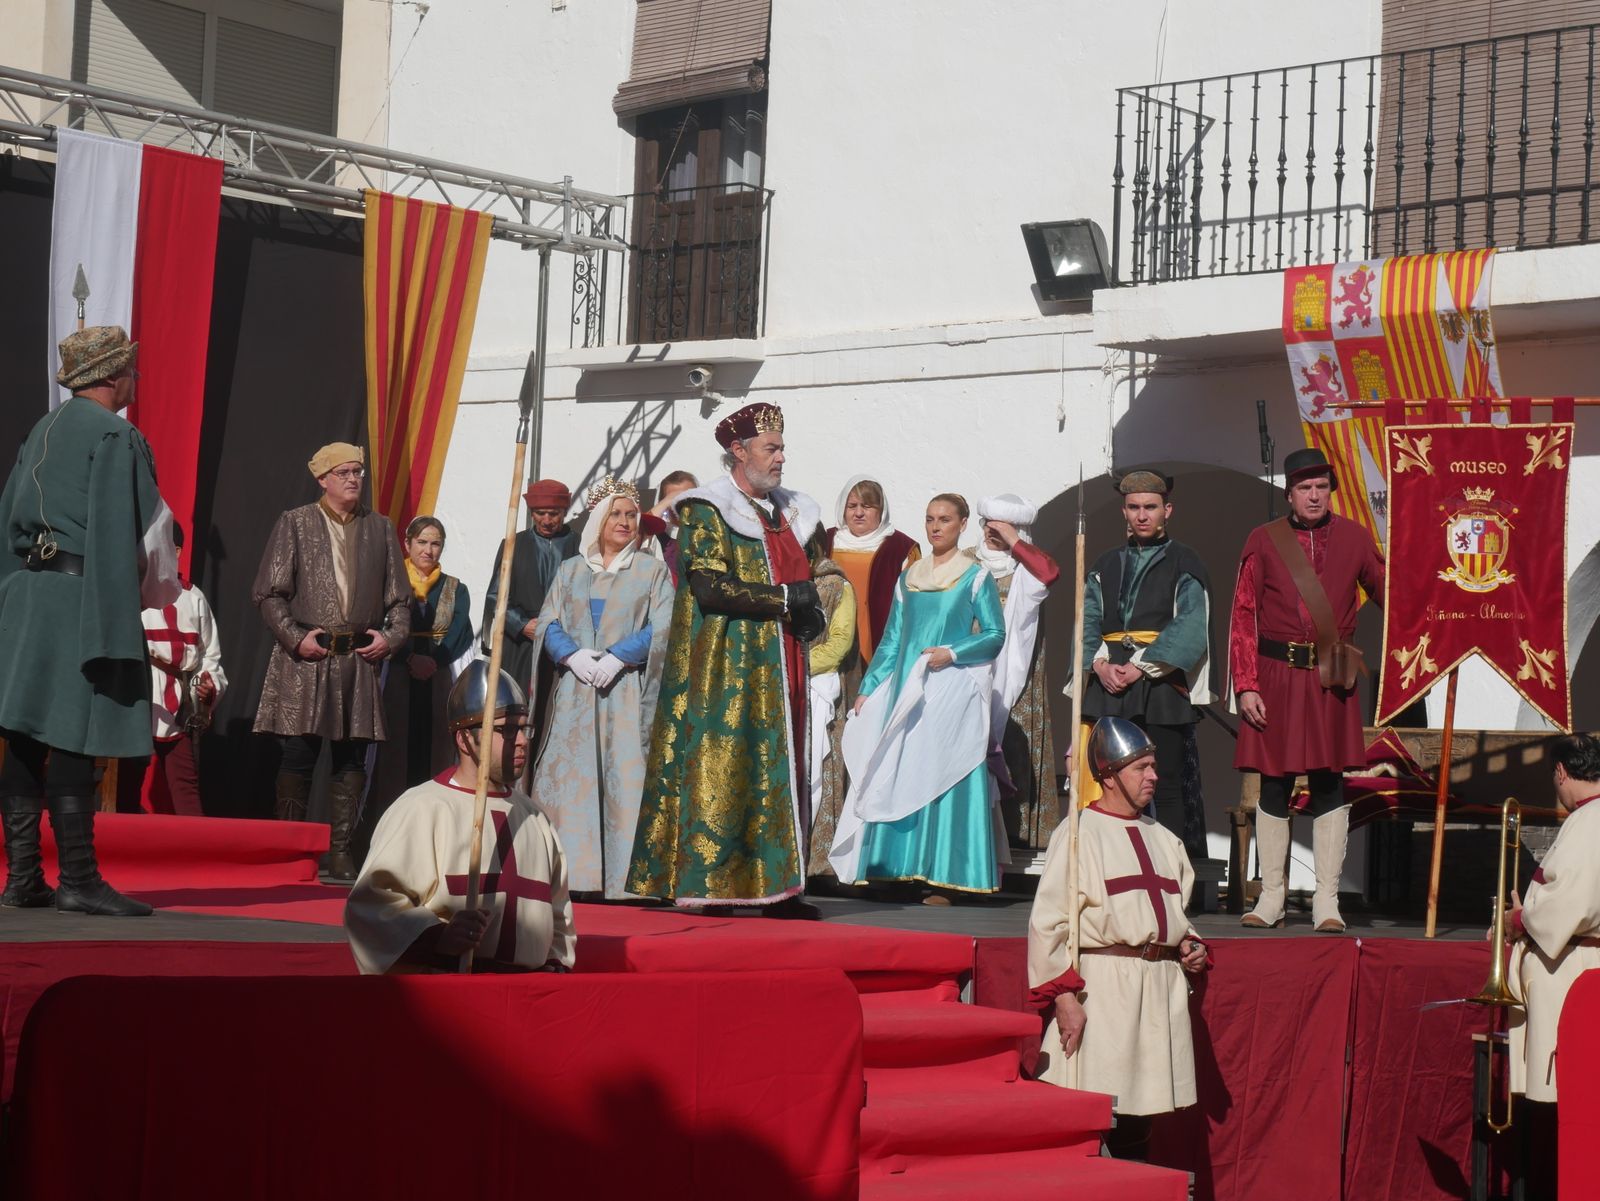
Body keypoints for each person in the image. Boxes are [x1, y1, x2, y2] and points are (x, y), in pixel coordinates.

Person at [0, 325, 180, 916]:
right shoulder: (116, 435)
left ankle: (23, 877)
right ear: (111, 375)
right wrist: (153, 594)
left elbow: (9, 522)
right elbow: (147, 533)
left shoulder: (41, 429)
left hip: (25, 598)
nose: (137, 377)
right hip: (81, 599)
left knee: (25, 735)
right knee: (76, 735)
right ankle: (76, 878)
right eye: (131, 367)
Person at [627, 402, 827, 913]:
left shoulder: (788, 510)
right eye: (771, 448)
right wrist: (786, 600)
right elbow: (710, 586)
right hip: (729, 660)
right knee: (726, 761)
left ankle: (779, 884)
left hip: (781, 660)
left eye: (781, 446)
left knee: (781, 768)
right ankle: (712, 883)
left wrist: (814, 607)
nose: (781, 457)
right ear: (738, 452)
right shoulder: (706, 509)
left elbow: (817, 573)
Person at [1028, 717, 1208, 1158]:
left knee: (1139, 1119)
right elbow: (1048, 922)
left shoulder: (1166, 840)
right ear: (1108, 776)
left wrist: (1189, 944)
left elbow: (1174, 914)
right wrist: (1064, 999)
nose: (1153, 776)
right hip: (1103, 990)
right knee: (1093, 1112)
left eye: (1153, 766)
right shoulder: (1076, 835)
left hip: (1158, 988)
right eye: (1140, 768)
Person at [1232, 448, 1384, 932]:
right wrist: (1245, 684)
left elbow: (1394, 600)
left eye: (1321, 486)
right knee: (1274, 782)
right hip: (1274, 677)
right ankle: (1272, 898)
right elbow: (1242, 615)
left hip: (1331, 679)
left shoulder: (1358, 539)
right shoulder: (1262, 539)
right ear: (1289, 494)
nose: (1314, 495)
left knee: (1328, 781)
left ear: (1330, 490)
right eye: (1304, 487)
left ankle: (1327, 901)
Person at [829, 494, 1007, 903]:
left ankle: (944, 874)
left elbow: (994, 635)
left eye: (944, 519)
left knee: (941, 771)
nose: (935, 527)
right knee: (898, 769)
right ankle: (894, 867)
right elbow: (892, 640)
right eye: (929, 519)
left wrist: (954, 652)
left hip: (946, 691)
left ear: (963, 524)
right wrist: (870, 687)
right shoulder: (909, 577)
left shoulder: (974, 576)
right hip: (905, 692)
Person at [344, 662, 576, 974]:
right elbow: (373, 905)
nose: (521, 740)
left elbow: (558, 912)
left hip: (527, 997)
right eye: (506, 729)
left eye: (523, 728)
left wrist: (554, 962)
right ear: (464, 739)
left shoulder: (535, 818)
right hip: (452, 993)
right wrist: (438, 937)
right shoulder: (422, 808)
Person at [253, 443, 410, 882]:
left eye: (358, 471)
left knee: (351, 759)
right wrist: (295, 637)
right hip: (307, 659)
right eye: (343, 472)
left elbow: (400, 600)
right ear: (322, 479)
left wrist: (392, 637)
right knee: (299, 754)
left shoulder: (380, 528)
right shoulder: (296, 522)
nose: (353, 479)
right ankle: (289, 851)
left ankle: (341, 851)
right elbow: (269, 593)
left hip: (357, 661)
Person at [530, 477, 674, 900]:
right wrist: (571, 656)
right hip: (577, 690)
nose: (626, 522)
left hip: (625, 689)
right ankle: (574, 875)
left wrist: (618, 656)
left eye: (631, 515)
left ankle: (627, 880)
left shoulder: (652, 570)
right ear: (598, 519)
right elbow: (549, 620)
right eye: (617, 514)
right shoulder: (571, 570)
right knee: (572, 779)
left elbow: (663, 625)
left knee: (624, 777)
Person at [1080, 471, 1214, 858]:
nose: (1142, 515)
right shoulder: (1105, 563)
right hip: (1108, 685)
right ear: (1124, 510)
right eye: (1135, 507)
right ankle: (1114, 867)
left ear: (1167, 510)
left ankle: (1167, 871)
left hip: (1159, 686)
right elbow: (1088, 618)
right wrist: (1101, 665)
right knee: (1110, 781)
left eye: (1150, 508)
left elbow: (1192, 622)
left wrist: (1143, 665)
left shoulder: (1185, 560)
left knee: (1164, 781)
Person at [361, 516, 475, 860]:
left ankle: (432, 843)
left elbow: (458, 632)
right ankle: (388, 842)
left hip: (438, 678)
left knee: (437, 752)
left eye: (436, 543)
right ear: (407, 544)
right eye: (422, 542)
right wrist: (409, 656)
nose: (429, 549)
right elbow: (376, 623)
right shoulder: (388, 582)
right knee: (392, 756)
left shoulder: (456, 588)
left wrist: (432, 661)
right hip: (394, 674)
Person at [1506, 734, 1600, 1109]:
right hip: (1583, 962)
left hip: (1575, 970)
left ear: (1560, 772)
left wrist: (1520, 919)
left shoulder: (1589, 820)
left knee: (1570, 1094)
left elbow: (1571, 901)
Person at [116, 523, 226, 816]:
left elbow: (209, 657)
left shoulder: (194, 598)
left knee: (185, 786)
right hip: (136, 698)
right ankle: (122, 847)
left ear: (176, 552)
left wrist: (207, 688)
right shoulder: (128, 592)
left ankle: (197, 852)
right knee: (126, 783)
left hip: (178, 706)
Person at [976, 494, 1061, 851]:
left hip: (1014, 671)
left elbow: (1049, 573)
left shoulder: (1025, 568)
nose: (993, 534)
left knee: (1014, 746)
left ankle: (1017, 837)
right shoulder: (968, 564)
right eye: (989, 526)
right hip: (970, 668)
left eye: (1003, 528)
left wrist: (1014, 543)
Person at [481, 478, 580, 740]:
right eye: (540, 513)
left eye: (553, 514)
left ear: (564, 512)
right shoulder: (513, 544)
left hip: (565, 642)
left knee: (557, 712)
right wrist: (522, 624)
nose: (547, 520)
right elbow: (495, 596)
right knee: (519, 711)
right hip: (522, 645)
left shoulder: (579, 546)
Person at [824, 476, 921, 707]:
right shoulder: (824, 542)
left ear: (881, 510)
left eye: (867, 506)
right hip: (828, 645)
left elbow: (914, 607)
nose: (858, 513)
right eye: (852, 506)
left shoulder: (901, 548)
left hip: (877, 647)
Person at [804, 557, 857, 879]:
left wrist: (796, 665)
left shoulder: (837, 585)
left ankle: (816, 862)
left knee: (818, 773)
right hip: (774, 685)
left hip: (817, 685)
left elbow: (839, 643)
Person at [636, 469, 698, 587]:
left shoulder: (713, 529)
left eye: (689, 497)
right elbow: (637, 532)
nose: (683, 505)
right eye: (676, 500)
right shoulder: (658, 534)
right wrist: (668, 500)